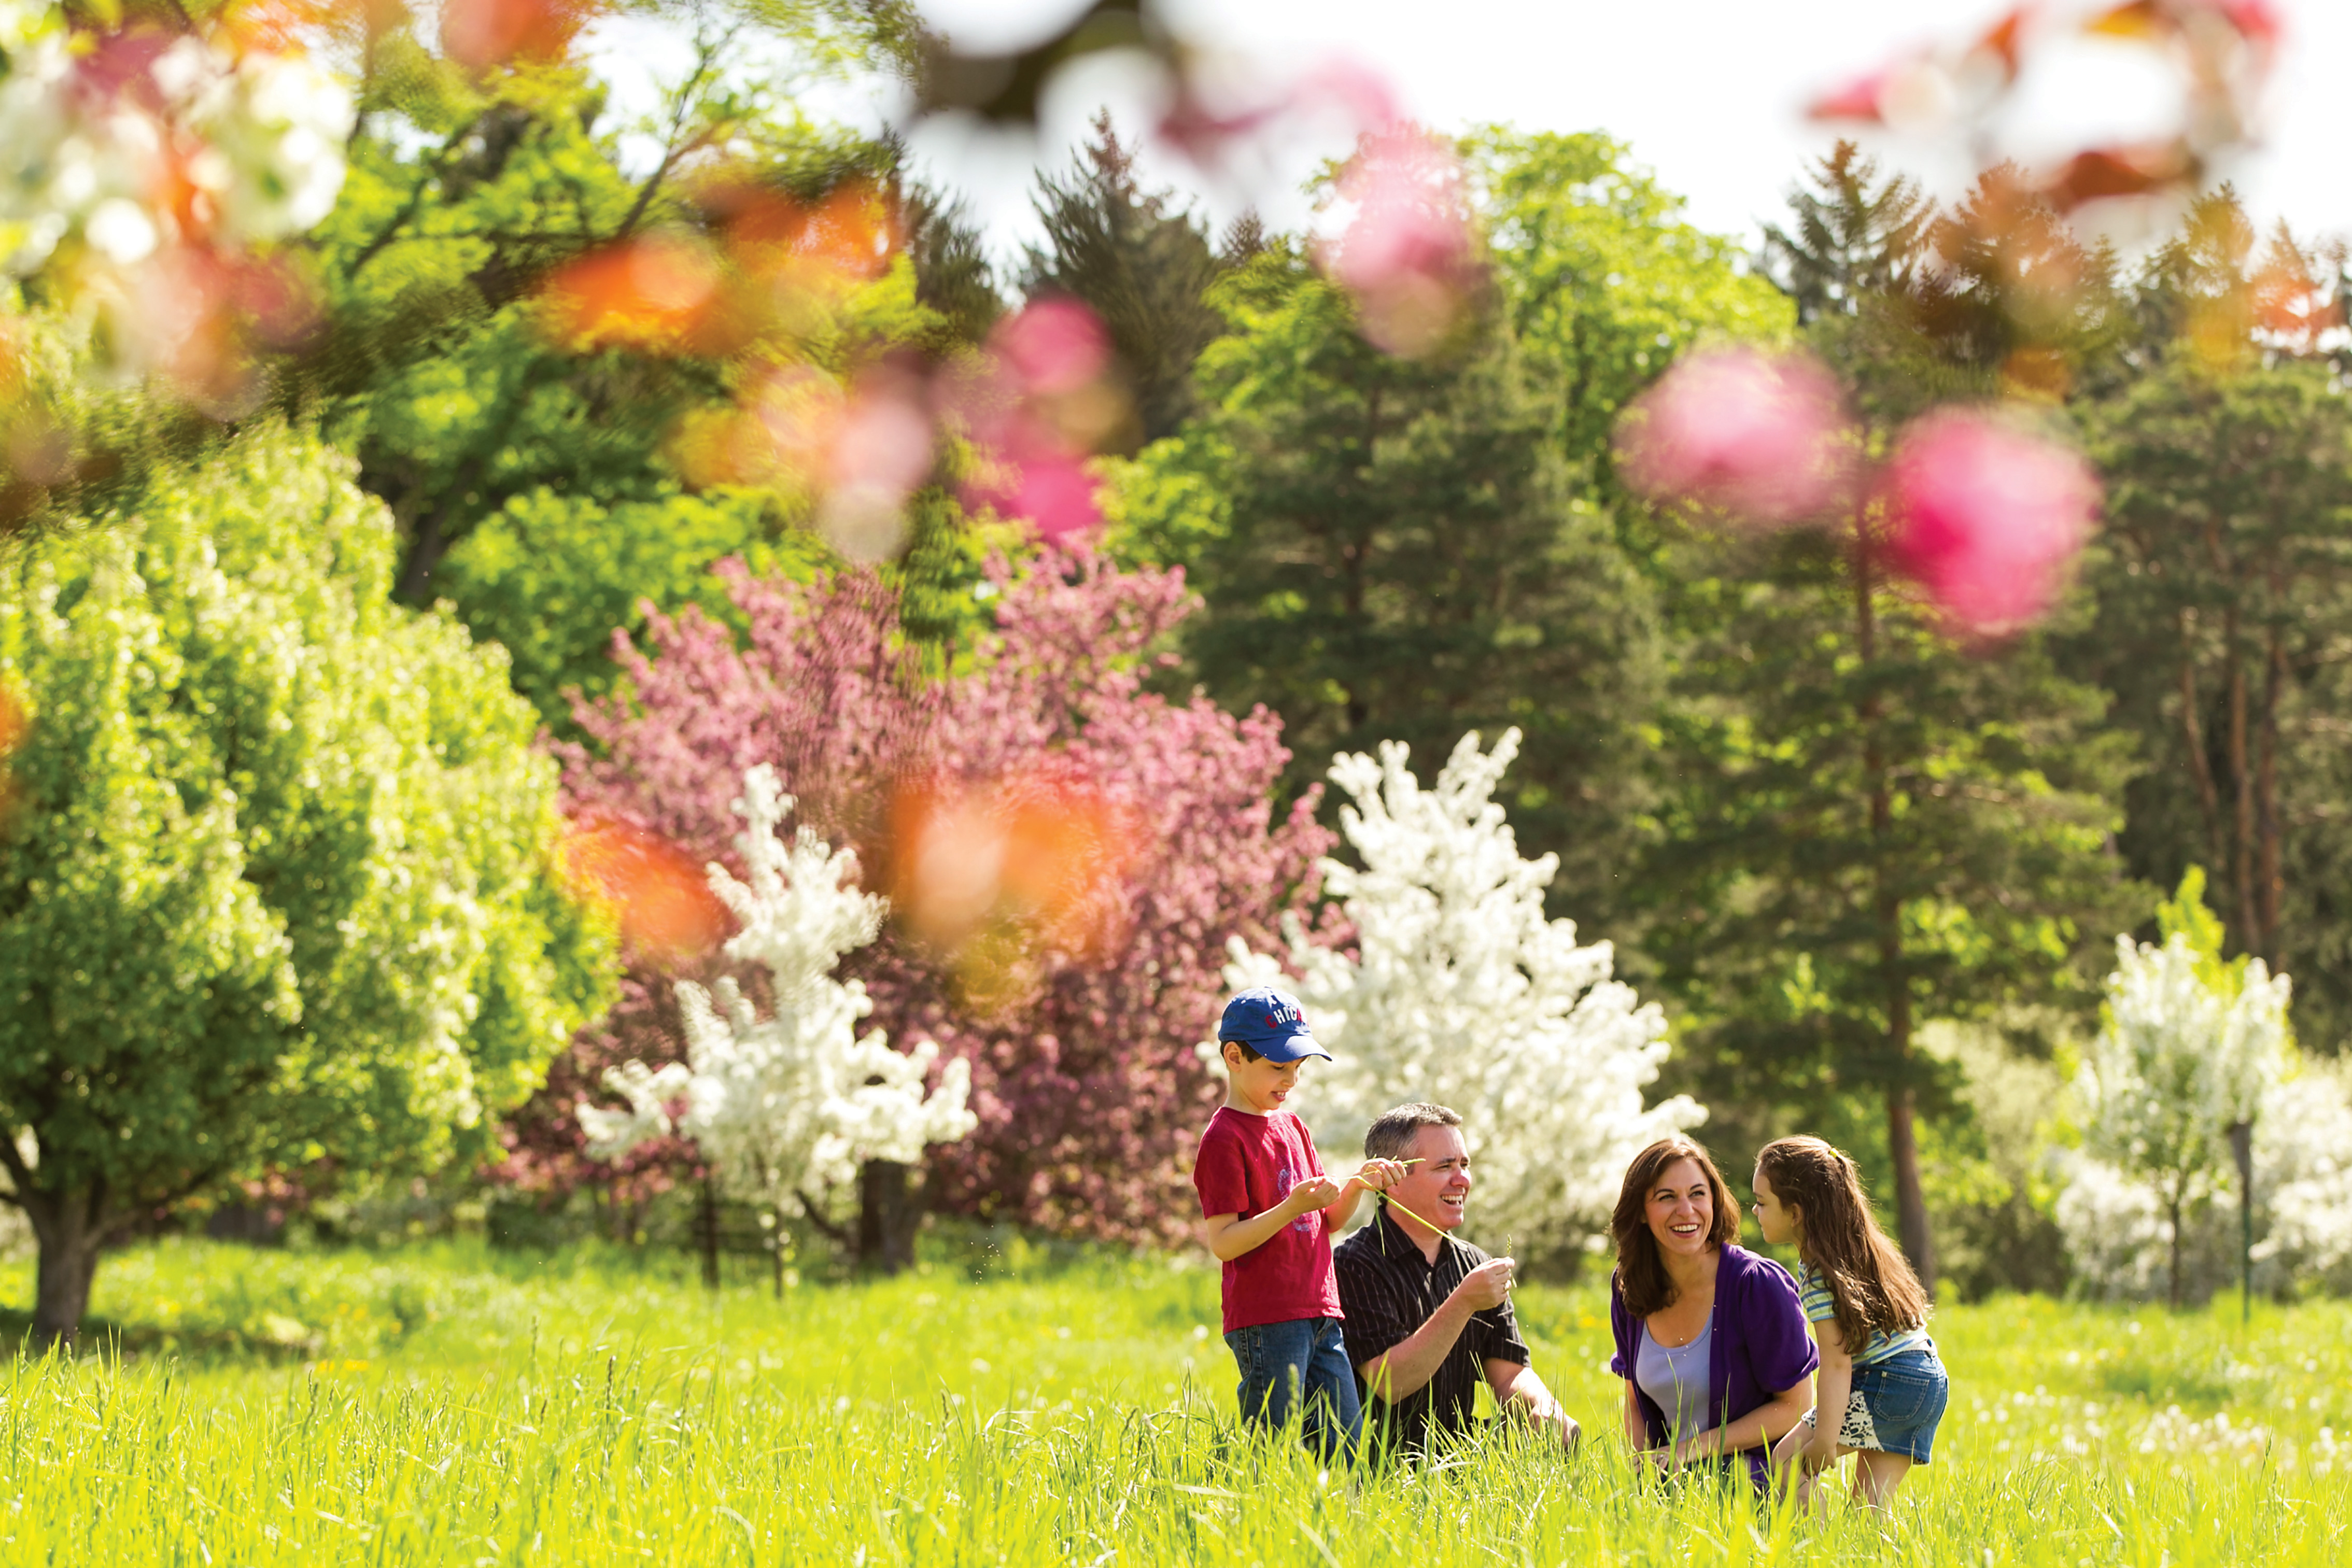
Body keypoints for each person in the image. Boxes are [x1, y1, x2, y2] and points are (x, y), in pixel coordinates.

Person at [1193, 985, 1406, 1459]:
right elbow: (1224, 1242)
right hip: (1267, 1317)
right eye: (1278, 1067)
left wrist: (1356, 1185)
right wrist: (1289, 1208)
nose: (1290, 1079)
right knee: (1271, 1445)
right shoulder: (1223, 1138)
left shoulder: (1294, 1128)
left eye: (1297, 1067)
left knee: (1345, 1446)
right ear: (1234, 1057)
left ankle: (1341, 1508)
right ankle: (1247, 1501)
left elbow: (1326, 1221)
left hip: (1321, 1310)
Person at [1331, 1103, 1580, 1458]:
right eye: (1444, 1166)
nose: (1462, 1179)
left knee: (1551, 1435)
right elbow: (1390, 1383)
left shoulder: (1474, 1263)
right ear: (1393, 1180)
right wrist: (1463, 1302)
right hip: (1380, 1466)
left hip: (1459, 1457)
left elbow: (1509, 1373)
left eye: (1464, 1164)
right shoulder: (1354, 1263)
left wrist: (1543, 1406)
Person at [1753, 1135, 1950, 1510]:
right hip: (1925, 1378)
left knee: (1786, 1460)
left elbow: (1837, 1363)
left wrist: (1825, 1439)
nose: (1754, 1210)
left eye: (1762, 1202)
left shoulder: (1819, 1275)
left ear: (1795, 1213)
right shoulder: (1860, 1245)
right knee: (1868, 1513)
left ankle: (1817, 1541)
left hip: (1889, 1381)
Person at [1608, 1134, 1815, 1487]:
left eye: (1697, 1194)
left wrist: (1690, 1450)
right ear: (1640, 1211)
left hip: (1756, 1476)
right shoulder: (1629, 1285)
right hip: (1673, 1481)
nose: (1686, 1210)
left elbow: (1796, 1407)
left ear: (1714, 1200)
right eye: (1666, 1197)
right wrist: (1638, 1478)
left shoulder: (1757, 1285)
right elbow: (1634, 1401)